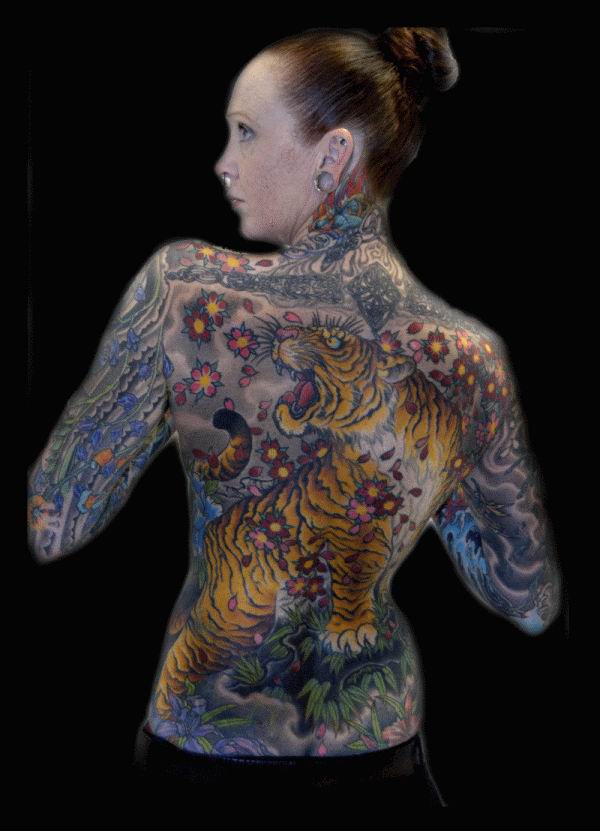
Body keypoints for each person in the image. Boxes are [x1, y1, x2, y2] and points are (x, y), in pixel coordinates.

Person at [27, 27, 561, 801]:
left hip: (203, 754)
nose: (224, 161)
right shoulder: (464, 357)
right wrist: (425, 482)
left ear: (332, 156)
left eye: (246, 131)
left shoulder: (186, 292)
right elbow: (526, 596)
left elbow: (55, 519)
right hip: (381, 759)